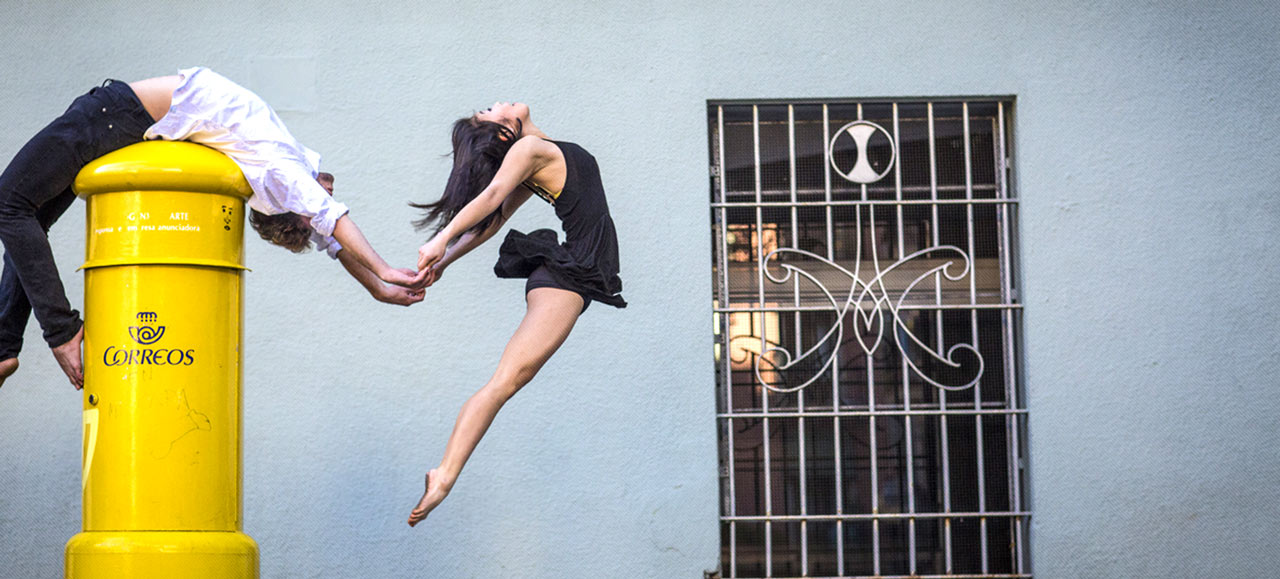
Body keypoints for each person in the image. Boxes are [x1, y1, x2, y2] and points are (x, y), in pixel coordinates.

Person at [0, 67, 426, 391]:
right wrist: (375, 289)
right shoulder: (285, 164)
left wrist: (384, 271)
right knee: (27, 216)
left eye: (311, 206)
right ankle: (4, 345)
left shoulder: (281, 170)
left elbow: (330, 219)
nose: (328, 191)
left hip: (110, 116)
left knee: (9, 203)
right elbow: (331, 239)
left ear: (290, 209)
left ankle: (62, 330)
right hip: (119, 121)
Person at [406, 102, 625, 527]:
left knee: (509, 381)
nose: (498, 102)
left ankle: (446, 473)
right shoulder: (525, 151)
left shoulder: (535, 153)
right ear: (505, 130)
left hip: (572, 272)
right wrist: (440, 241)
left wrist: (446, 260)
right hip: (569, 276)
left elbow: (494, 219)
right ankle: (445, 476)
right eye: (490, 109)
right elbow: (490, 198)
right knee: (505, 382)